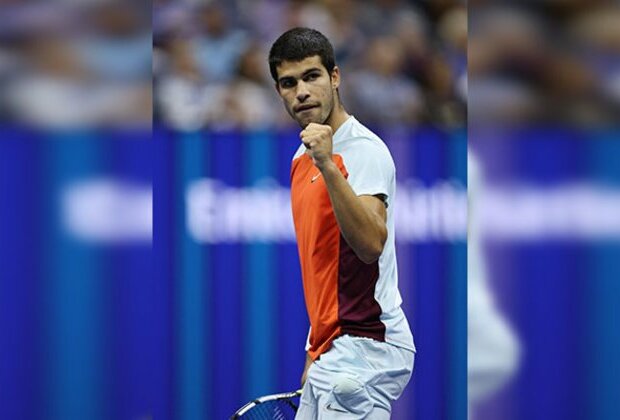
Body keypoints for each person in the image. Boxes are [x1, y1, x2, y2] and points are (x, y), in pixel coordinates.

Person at [268, 27, 415, 419]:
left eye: (312, 76)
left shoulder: (364, 151)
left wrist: (328, 165)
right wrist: (314, 351)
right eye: (288, 82)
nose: (301, 91)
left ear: (334, 77)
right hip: (334, 348)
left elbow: (369, 246)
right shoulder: (301, 159)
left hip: (368, 344)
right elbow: (325, 268)